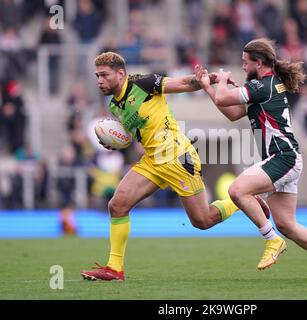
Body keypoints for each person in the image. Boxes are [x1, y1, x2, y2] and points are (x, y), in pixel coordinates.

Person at [80, 52, 269, 281]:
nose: (99, 80)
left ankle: (244, 201)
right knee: (117, 205)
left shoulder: (143, 83)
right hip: (152, 160)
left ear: (120, 74)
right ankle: (115, 268)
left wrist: (212, 78)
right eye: (97, 76)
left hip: (177, 156)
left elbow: (184, 83)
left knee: (203, 220)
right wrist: (115, 143)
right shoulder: (114, 106)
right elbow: (133, 134)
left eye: (104, 75)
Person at [194, 38, 307, 281]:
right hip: (286, 158)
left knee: (237, 190)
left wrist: (222, 81)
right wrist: (207, 87)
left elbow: (224, 99)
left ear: (259, 62)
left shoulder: (263, 86)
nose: (243, 67)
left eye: (245, 63)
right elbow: (233, 113)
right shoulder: (263, 87)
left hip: (283, 157)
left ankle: (271, 239)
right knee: (287, 224)